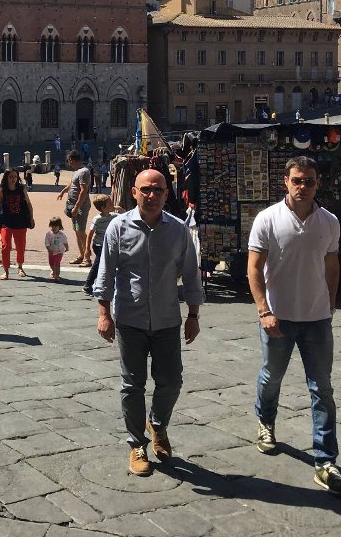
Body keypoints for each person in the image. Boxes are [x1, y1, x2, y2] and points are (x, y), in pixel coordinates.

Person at [247, 156, 341, 496]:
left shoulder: (329, 222)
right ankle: (266, 420)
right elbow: (254, 268)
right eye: (297, 180)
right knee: (271, 376)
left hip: (317, 318)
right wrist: (264, 310)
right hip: (277, 316)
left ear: (317, 183)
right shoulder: (268, 219)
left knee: (322, 389)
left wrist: (331, 305)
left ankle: (325, 460)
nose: (302, 186)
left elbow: (332, 266)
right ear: (285, 182)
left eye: (308, 180)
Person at [94, 168, 203, 477]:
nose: (151, 195)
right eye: (146, 190)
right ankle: (136, 444)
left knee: (172, 381)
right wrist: (104, 314)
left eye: (158, 190)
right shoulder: (118, 227)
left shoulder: (179, 230)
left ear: (167, 194)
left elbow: (192, 275)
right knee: (132, 385)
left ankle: (158, 424)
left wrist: (193, 315)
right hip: (130, 318)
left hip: (168, 319)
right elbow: (106, 273)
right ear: (134, 192)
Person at [0, 167, 35, 280]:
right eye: (11, 177)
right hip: (6, 222)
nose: (13, 179)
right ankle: (6, 270)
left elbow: (29, 204)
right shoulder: (1, 191)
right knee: (5, 246)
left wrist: (31, 218)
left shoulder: (22, 189)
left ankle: (20, 266)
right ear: (6, 178)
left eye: (15, 176)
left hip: (21, 222)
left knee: (20, 247)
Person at [58, 149, 92, 267]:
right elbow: (72, 185)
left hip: (80, 206)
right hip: (73, 205)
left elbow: (84, 190)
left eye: (69, 161)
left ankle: (87, 257)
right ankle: (81, 255)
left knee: (81, 232)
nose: (69, 163)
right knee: (77, 232)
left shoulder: (84, 172)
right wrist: (63, 191)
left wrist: (77, 206)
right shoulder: (77, 171)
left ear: (72, 159)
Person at [83, 193, 115, 294]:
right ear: (103, 207)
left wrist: (118, 208)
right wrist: (87, 249)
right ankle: (88, 284)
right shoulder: (97, 219)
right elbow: (90, 233)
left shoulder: (113, 216)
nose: (112, 204)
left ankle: (102, 283)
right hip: (98, 245)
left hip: (107, 245)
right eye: (110, 203)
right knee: (99, 264)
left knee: (105, 263)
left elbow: (124, 212)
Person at [43, 217, 68, 281]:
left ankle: (57, 275)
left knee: (57, 263)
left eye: (55, 226)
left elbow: (65, 242)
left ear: (59, 227)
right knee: (51, 263)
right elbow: (47, 242)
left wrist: (67, 247)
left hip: (59, 251)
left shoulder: (62, 235)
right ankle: (54, 271)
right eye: (52, 226)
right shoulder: (48, 234)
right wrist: (48, 247)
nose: (53, 228)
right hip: (51, 251)